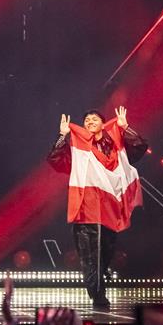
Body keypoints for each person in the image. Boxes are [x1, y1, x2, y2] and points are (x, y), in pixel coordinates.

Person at [47, 107, 148, 309]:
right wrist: (62, 136)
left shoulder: (115, 146)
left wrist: (124, 127)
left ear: (103, 124)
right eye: (86, 120)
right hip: (86, 211)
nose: (90, 121)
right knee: (91, 257)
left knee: (105, 255)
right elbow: (56, 161)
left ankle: (99, 287)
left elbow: (140, 148)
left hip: (109, 211)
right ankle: (98, 296)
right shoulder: (79, 150)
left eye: (94, 119)